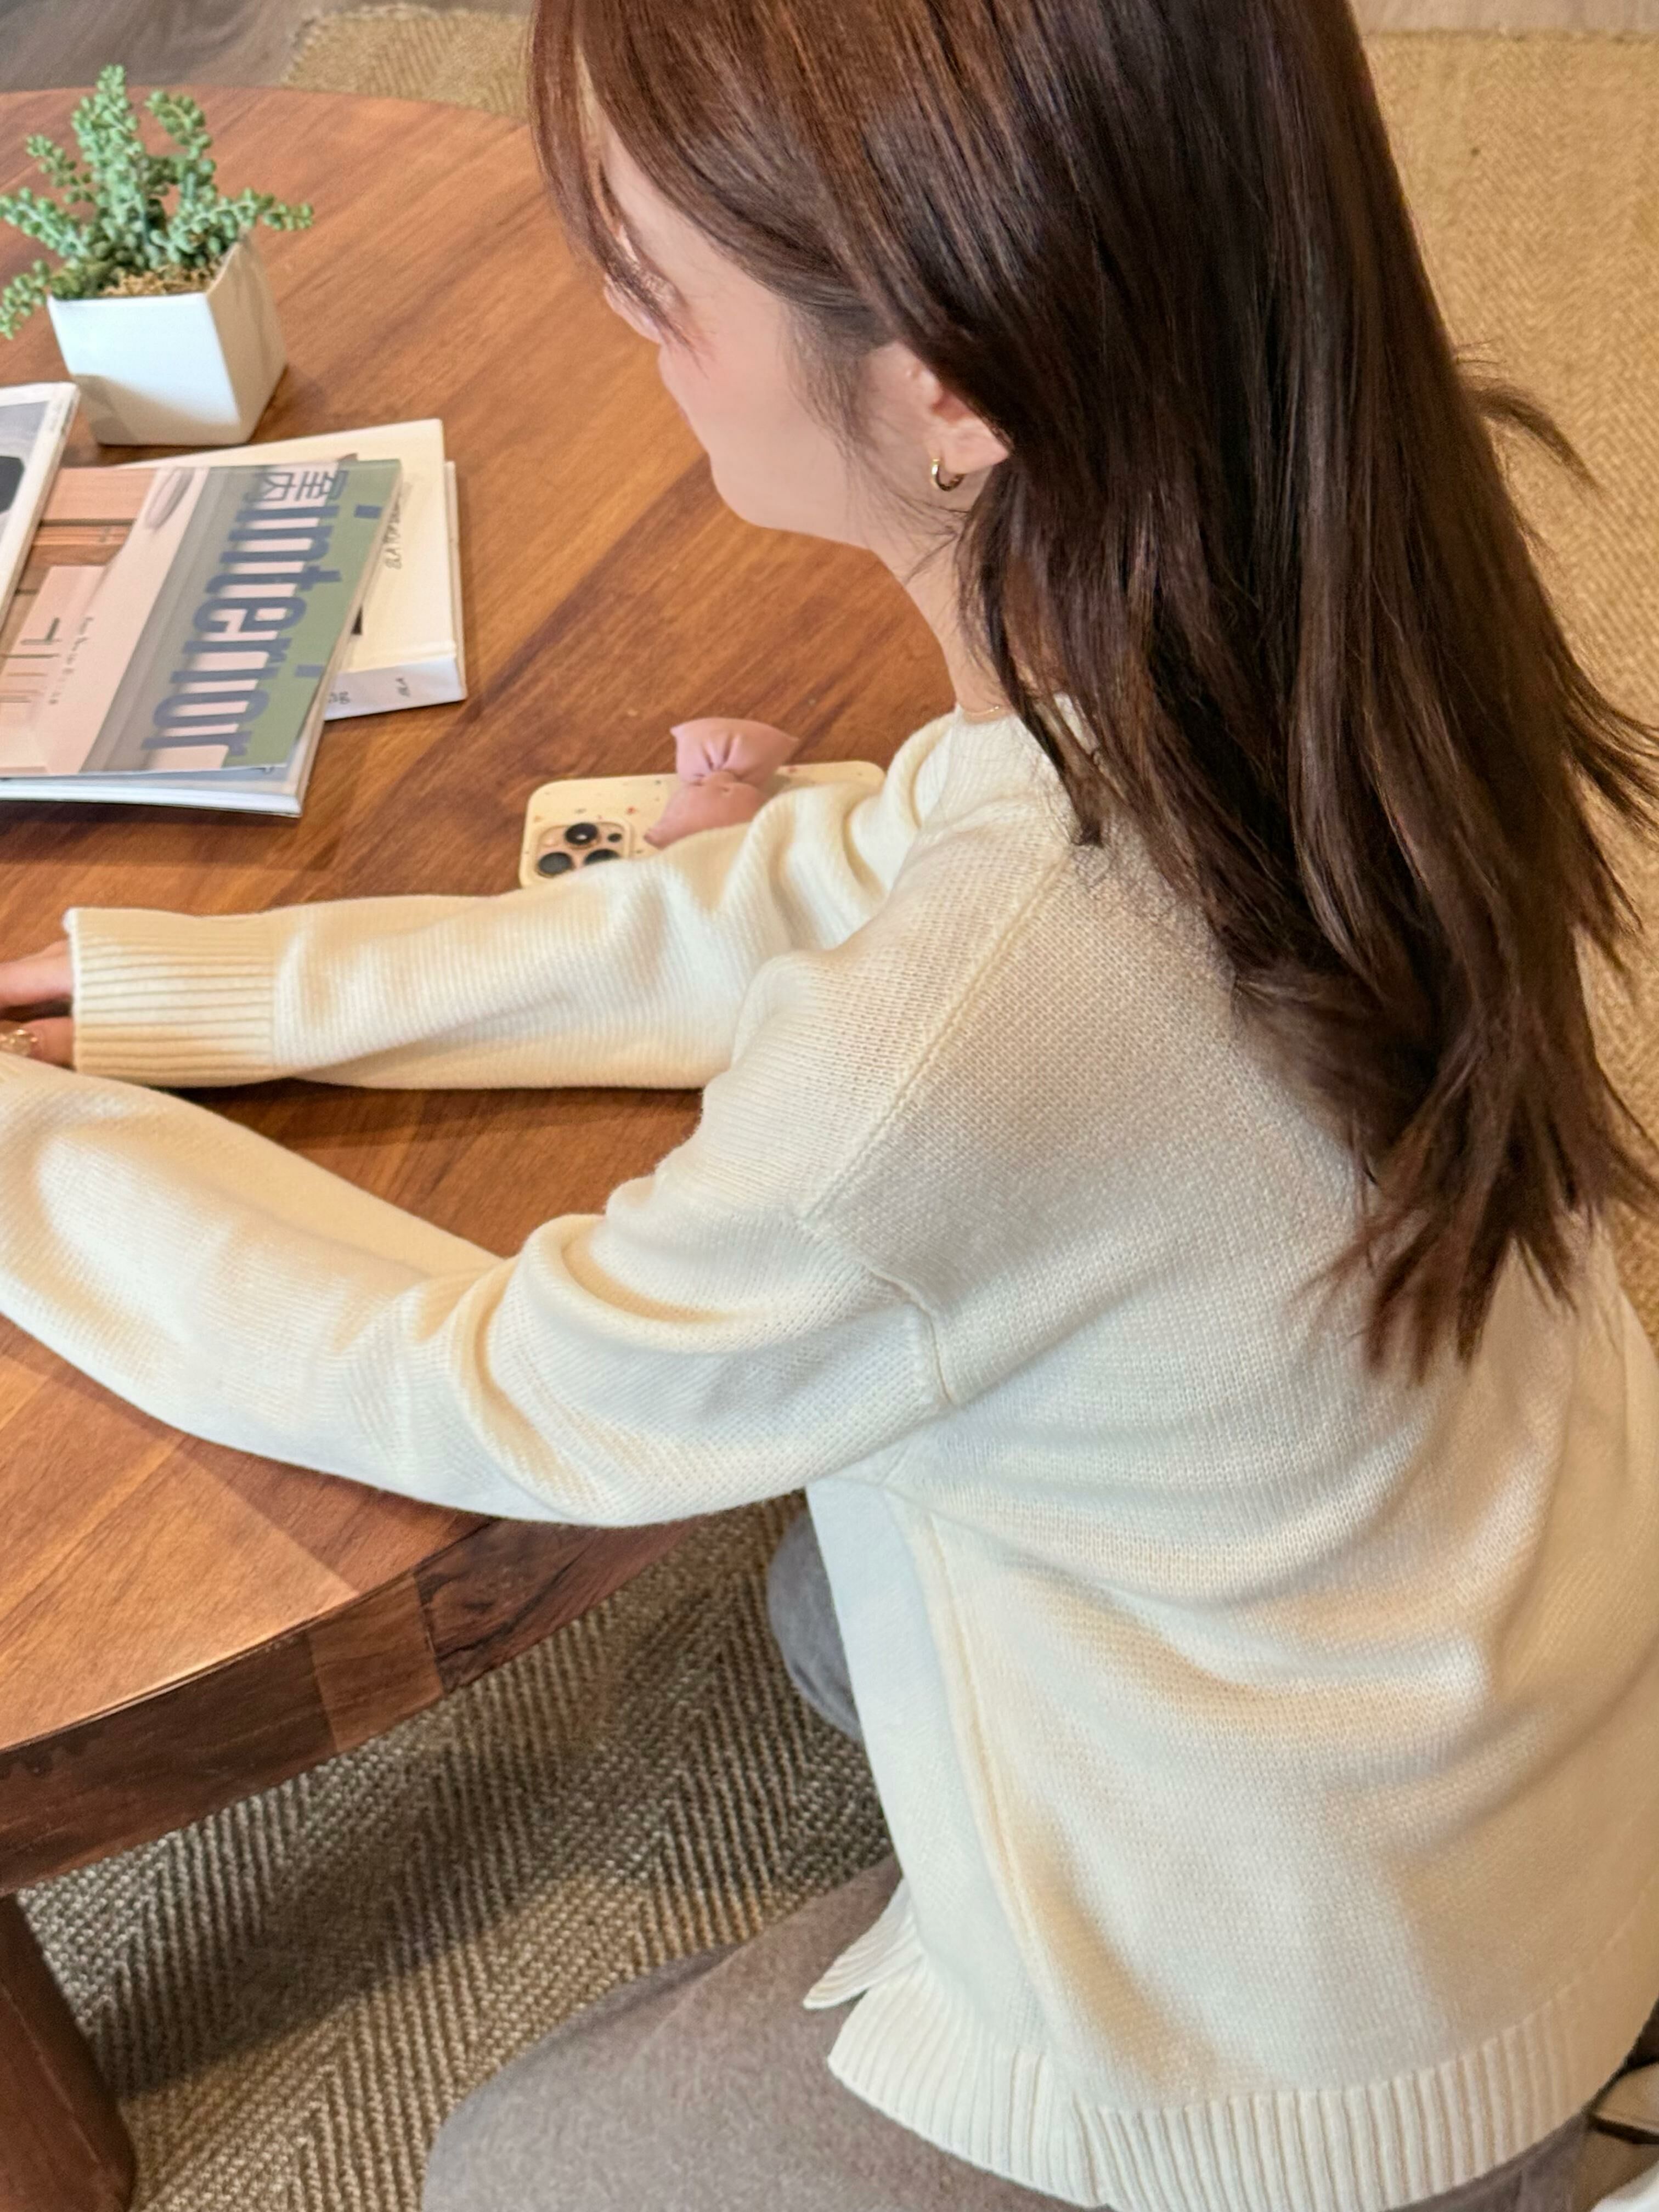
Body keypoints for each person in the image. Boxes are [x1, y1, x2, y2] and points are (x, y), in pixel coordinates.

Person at [0, 0, 1656, 2202]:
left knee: (511, 2172)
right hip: (1537, 1731)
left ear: (948, 391)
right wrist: (205, 994)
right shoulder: (1326, 592)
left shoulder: (974, 1029)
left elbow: (498, 1390)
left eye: (653, 283)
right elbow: (827, 882)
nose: (624, 325)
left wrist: (29, 1159)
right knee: (814, 1608)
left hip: (1336, 2061)